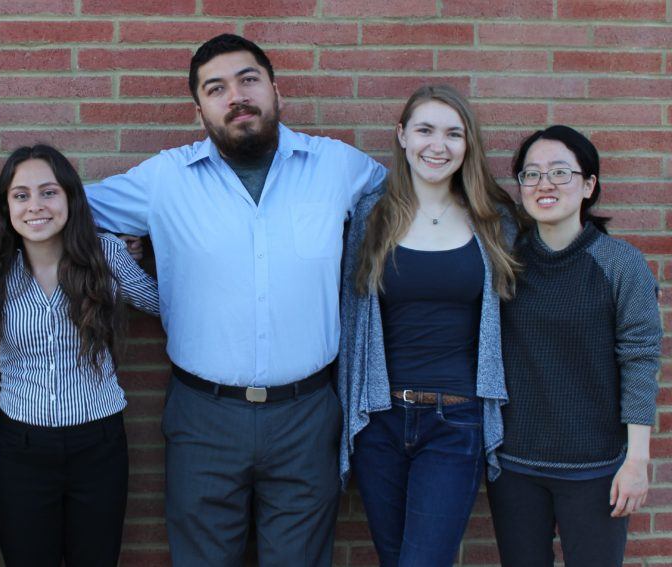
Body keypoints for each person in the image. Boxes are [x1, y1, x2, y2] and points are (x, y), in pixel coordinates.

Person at [86, 34, 386, 565]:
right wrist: (116, 245)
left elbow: (416, 202)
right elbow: (64, 212)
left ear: (275, 89)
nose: (236, 96)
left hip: (307, 414)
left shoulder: (337, 166)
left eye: (248, 80)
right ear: (198, 108)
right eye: (216, 88)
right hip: (204, 416)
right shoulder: (164, 180)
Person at [338, 85, 520, 566]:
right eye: (424, 130)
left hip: (456, 422)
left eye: (453, 134)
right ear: (401, 136)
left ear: (468, 145)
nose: (437, 146)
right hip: (378, 420)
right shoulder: (369, 216)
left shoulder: (494, 221)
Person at [0, 144, 159, 566]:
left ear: (70, 197)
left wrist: (156, 250)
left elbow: (166, 305)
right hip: (20, 447)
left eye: (48, 192)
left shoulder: (106, 258)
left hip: (99, 445)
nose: (35, 206)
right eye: (21, 195)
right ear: (7, 206)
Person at [487, 125, 661, 566]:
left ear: (588, 185)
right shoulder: (504, 261)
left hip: (596, 466)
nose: (545, 183)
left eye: (560, 172)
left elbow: (640, 359)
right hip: (514, 465)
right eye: (532, 174)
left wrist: (636, 460)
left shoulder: (620, 264)